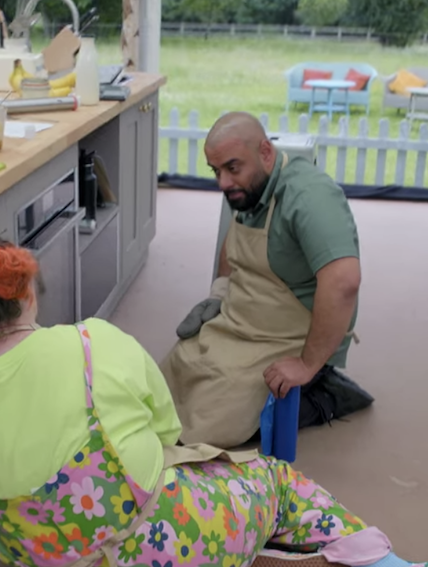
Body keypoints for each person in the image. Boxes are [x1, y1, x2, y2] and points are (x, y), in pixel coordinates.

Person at [0, 231, 428, 567]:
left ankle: (242, 554)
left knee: (119, 511)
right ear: (24, 289)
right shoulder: (91, 344)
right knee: (267, 476)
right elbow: (166, 428)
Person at [159, 111, 375, 449]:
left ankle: (322, 386)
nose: (223, 183)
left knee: (209, 423)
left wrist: (305, 364)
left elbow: (344, 281)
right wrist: (217, 296)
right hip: (244, 318)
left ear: (265, 152)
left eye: (232, 168)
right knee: (178, 369)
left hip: (289, 334)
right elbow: (232, 244)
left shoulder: (310, 197)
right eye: (216, 172)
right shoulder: (249, 187)